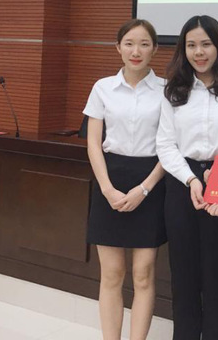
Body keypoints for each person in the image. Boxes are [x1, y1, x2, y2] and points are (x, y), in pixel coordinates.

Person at [156, 15, 218, 340]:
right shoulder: (174, 89)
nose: (199, 52)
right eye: (191, 45)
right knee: (183, 272)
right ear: (183, 49)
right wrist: (191, 179)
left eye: (206, 44)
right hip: (182, 182)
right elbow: (165, 144)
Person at [84, 18, 167, 340]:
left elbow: (169, 146)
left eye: (144, 44)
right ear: (118, 47)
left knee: (143, 274)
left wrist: (144, 189)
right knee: (112, 274)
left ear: (154, 49)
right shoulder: (103, 87)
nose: (136, 51)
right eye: (129, 44)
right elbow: (94, 143)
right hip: (110, 179)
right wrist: (107, 189)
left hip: (151, 181)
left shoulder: (167, 90)